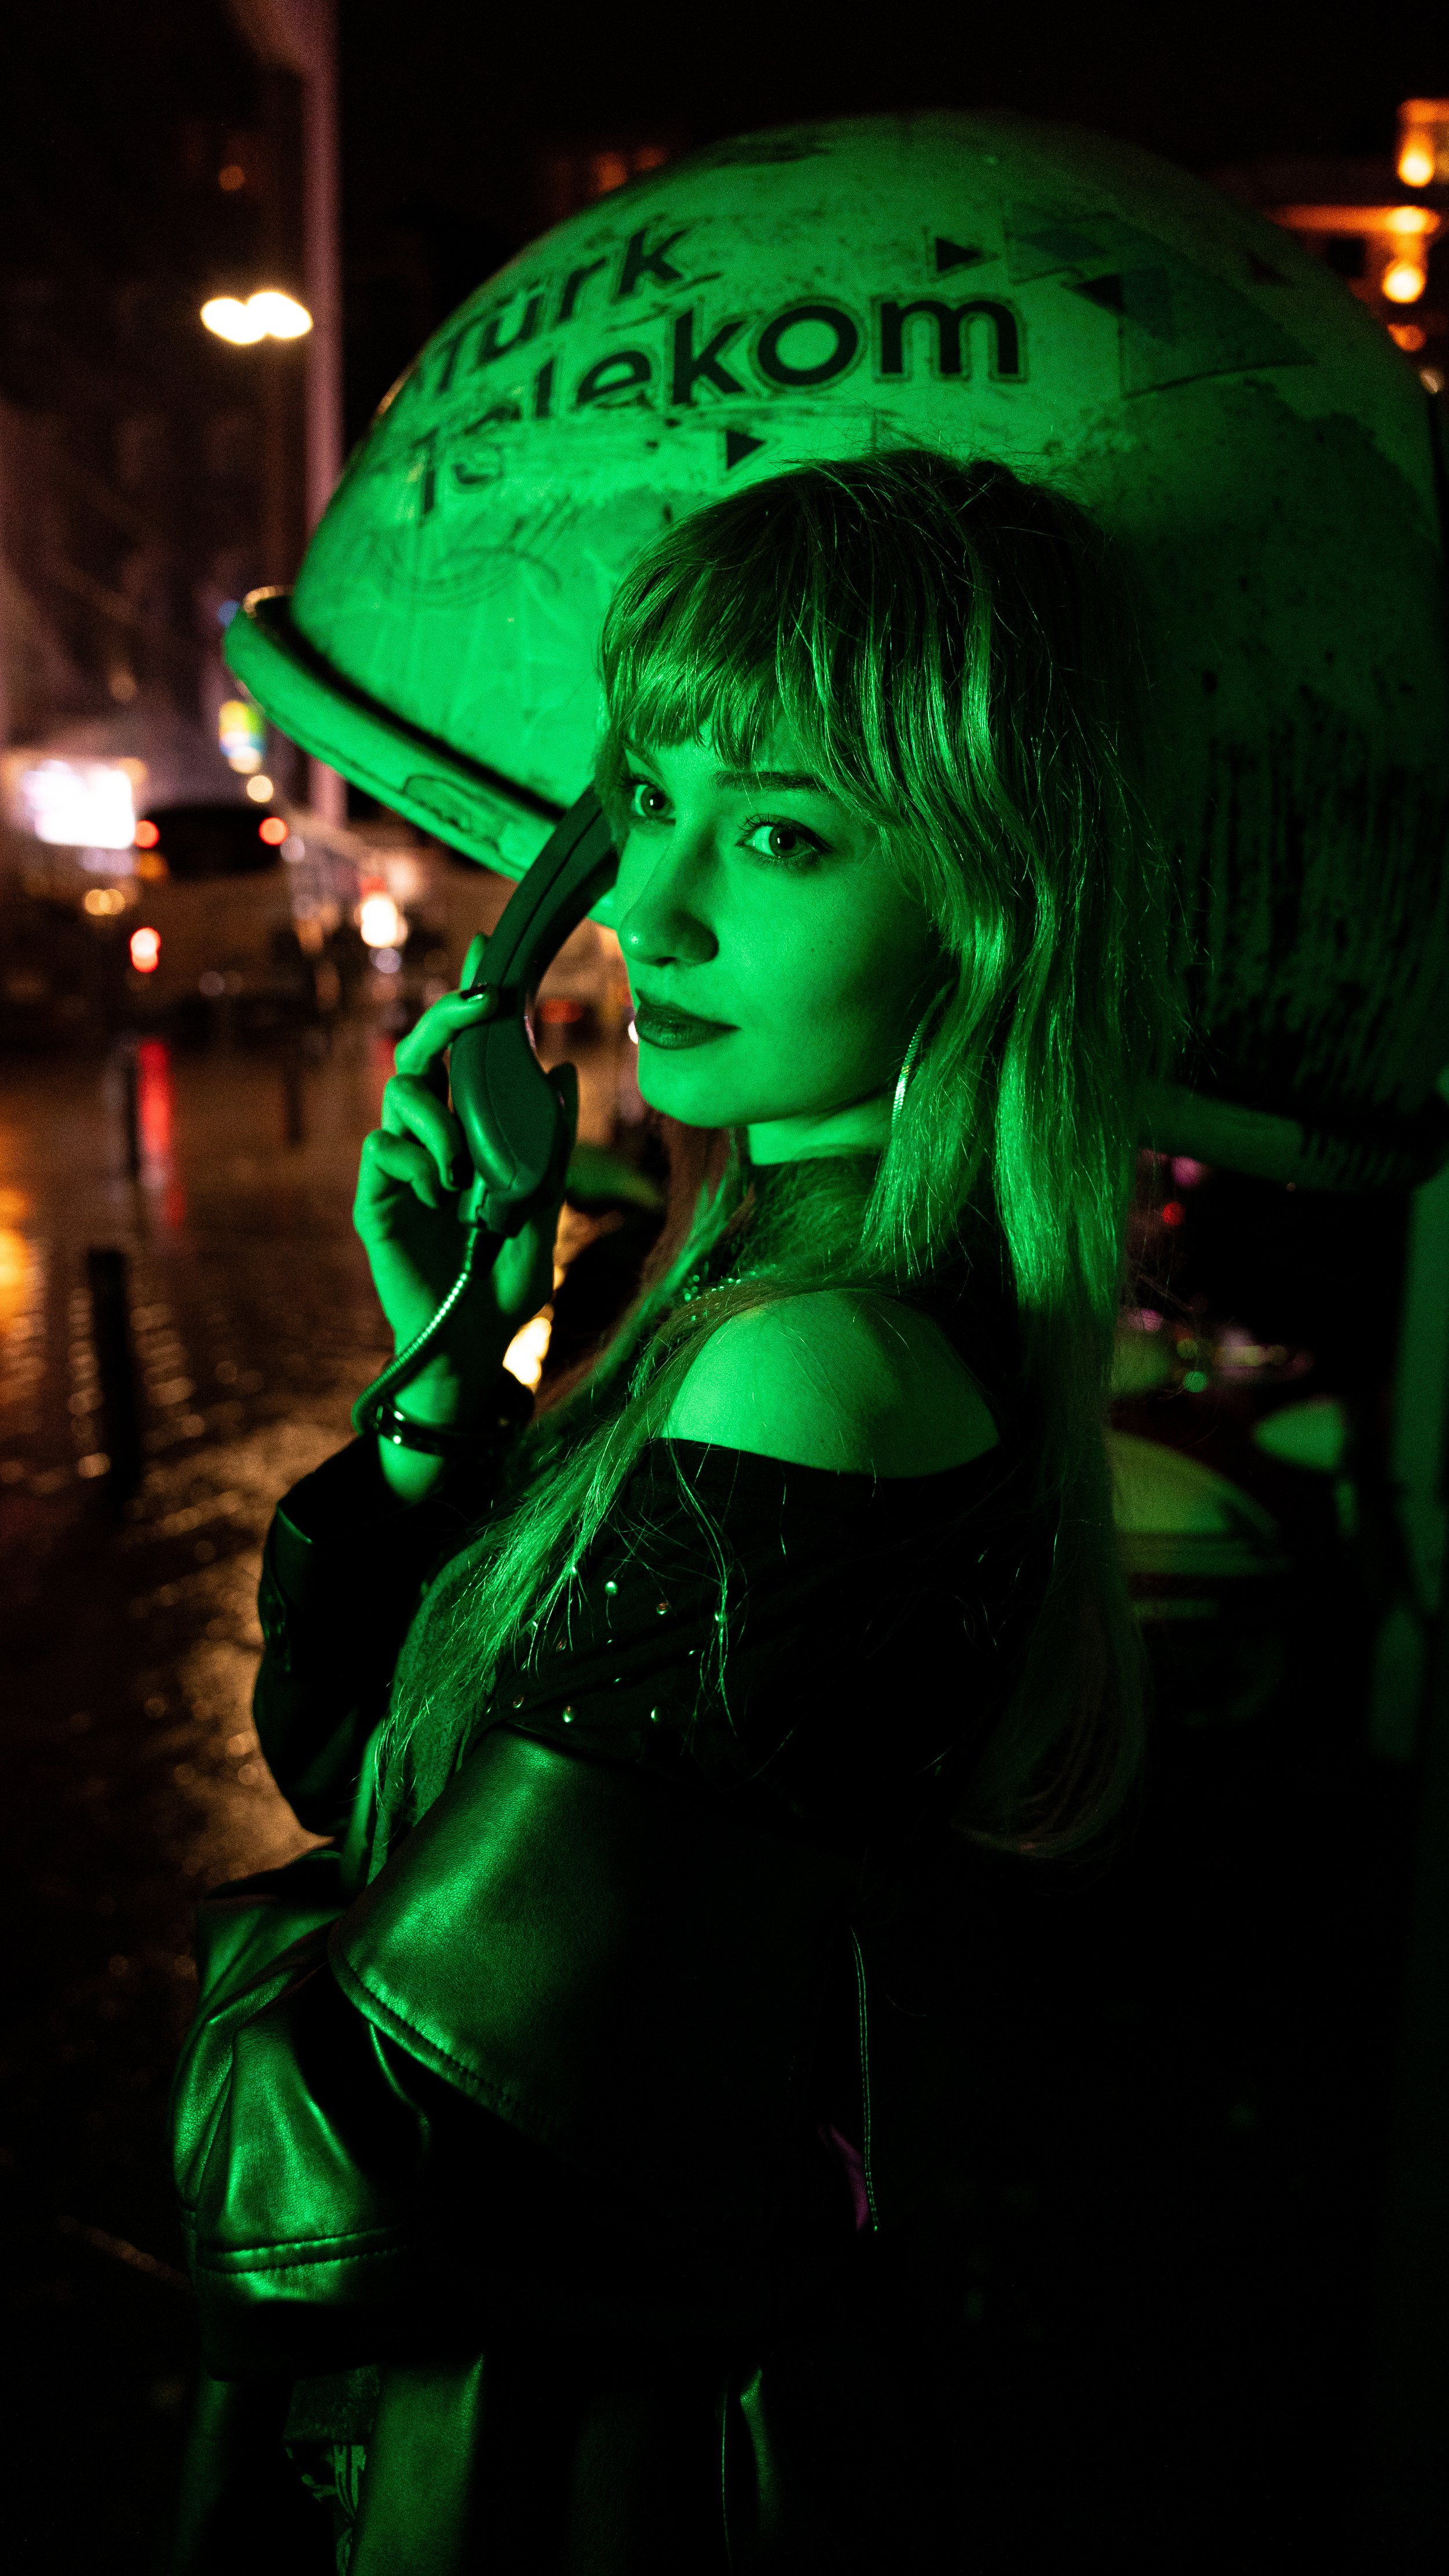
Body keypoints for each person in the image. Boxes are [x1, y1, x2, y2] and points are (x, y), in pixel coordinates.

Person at [169, 450, 1175, 2575]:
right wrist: (461, 1357)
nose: (655, 902)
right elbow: (383, 1775)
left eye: (785, 831)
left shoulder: (812, 1370)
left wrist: (265, 1977)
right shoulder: (767, 1296)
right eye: (652, 793)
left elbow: (346, 2157)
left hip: (564, 2476)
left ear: (992, 914)